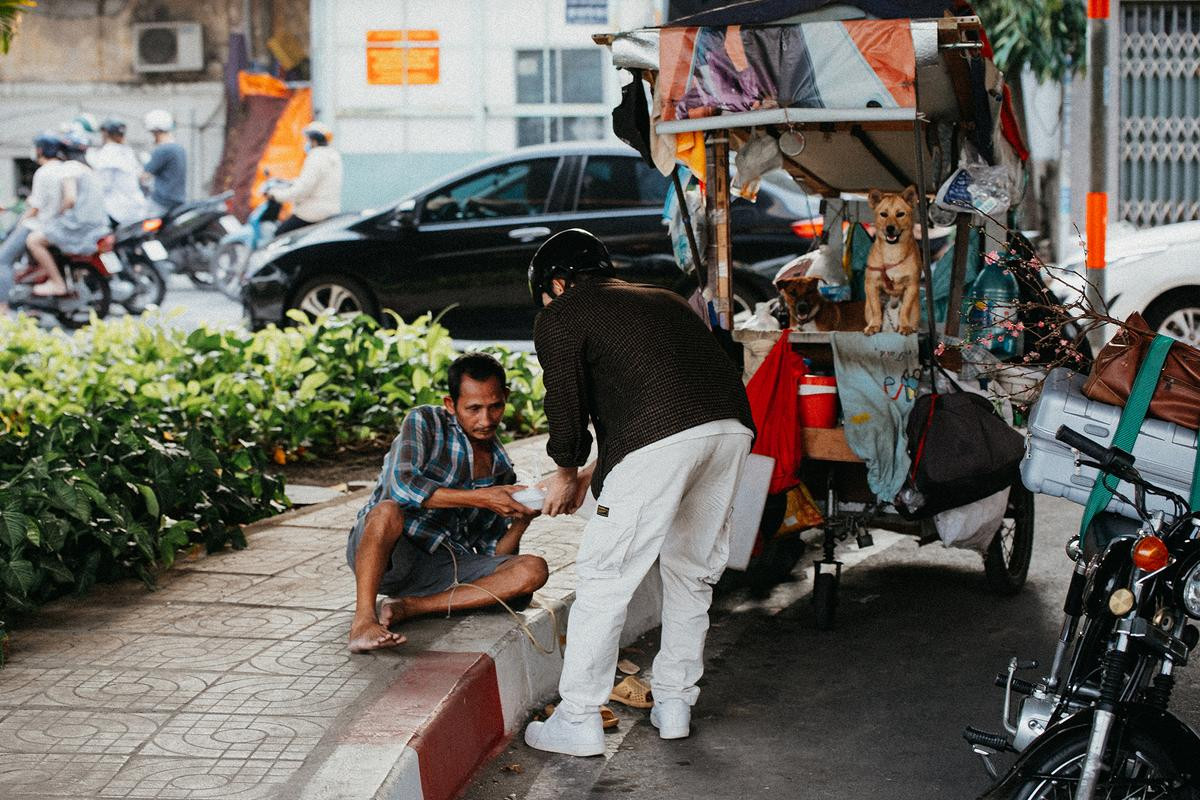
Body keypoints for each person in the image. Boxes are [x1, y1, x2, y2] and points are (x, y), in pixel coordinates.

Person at [522, 229, 755, 757]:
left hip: (664, 439)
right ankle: (675, 704)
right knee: (692, 572)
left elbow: (567, 404)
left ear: (557, 283)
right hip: (729, 430)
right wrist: (592, 474)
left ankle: (578, 717)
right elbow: (655, 395)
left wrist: (564, 469)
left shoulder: (562, 313)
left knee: (605, 577)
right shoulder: (664, 300)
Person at [345, 352, 550, 653]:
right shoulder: (424, 422)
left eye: (495, 406)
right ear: (451, 405)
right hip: (388, 553)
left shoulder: (500, 466)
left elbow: (493, 551)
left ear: (506, 397)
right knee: (386, 510)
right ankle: (363, 620)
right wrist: (483, 498)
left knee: (533, 571)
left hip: (441, 568)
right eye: (474, 408)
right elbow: (401, 488)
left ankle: (412, 608)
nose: (486, 419)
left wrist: (522, 519)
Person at [23, 132, 109, 298]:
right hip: (97, 225)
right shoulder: (88, 169)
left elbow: (70, 199)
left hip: (78, 225)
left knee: (34, 241)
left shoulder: (69, 168)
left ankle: (57, 283)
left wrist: (58, 213)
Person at [269, 121, 343, 236]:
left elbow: (303, 190)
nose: (306, 143)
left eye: (307, 140)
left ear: (314, 140)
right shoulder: (333, 156)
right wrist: (291, 183)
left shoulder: (316, 157)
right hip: (330, 210)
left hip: (312, 213)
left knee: (280, 235)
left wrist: (277, 196)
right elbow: (316, 182)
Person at [88, 118, 148, 225]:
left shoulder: (107, 152)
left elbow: (102, 185)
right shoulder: (128, 151)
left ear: (105, 133)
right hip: (137, 208)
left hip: (116, 211)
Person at [142, 109, 187, 217]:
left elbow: (145, 176)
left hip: (161, 202)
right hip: (178, 200)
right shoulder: (179, 148)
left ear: (155, 131)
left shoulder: (162, 150)